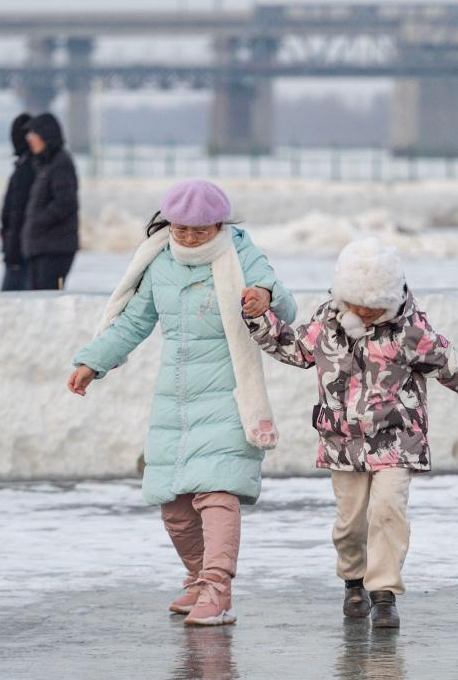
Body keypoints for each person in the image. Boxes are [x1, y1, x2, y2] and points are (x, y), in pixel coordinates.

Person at [67, 179, 297, 625]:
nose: (189, 237)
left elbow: (283, 304)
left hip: (230, 393)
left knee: (216, 494)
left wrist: (262, 298)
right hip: (176, 399)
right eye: (181, 229)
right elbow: (134, 323)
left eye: (200, 230)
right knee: (174, 508)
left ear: (219, 224)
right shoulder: (160, 262)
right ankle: (196, 579)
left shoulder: (241, 252)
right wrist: (92, 363)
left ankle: (218, 590)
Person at [245, 237, 458, 628]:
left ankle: (383, 594)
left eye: (374, 305)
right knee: (351, 524)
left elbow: (449, 363)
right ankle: (353, 582)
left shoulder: (409, 330)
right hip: (342, 441)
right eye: (357, 303)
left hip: (397, 438)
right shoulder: (328, 324)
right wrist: (260, 318)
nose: (364, 312)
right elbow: (293, 349)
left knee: (387, 511)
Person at [22, 112, 79, 290]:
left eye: (33, 134)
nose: (29, 138)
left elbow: (65, 202)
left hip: (54, 249)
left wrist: (37, 221)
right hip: (41, 247)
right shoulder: (45, 164)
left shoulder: (60, 163)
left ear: (46, 135)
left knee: (46, 301)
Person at [0, 112, 35, 291]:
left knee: (8, 298)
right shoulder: (29, 165)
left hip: (18, 252)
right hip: (22, 247)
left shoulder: (26, 169)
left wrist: (12, 252)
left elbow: (18, 214)